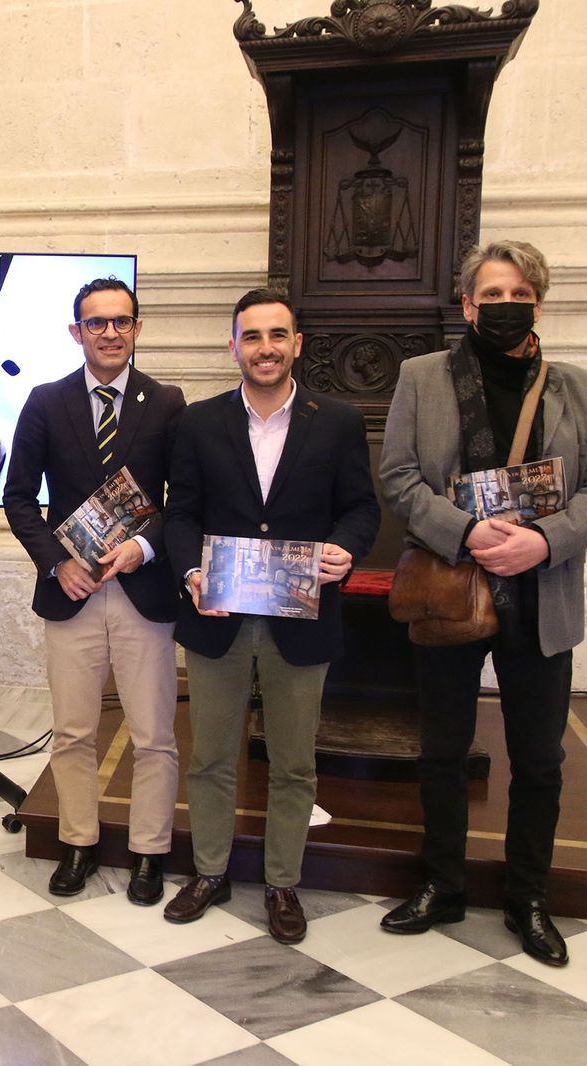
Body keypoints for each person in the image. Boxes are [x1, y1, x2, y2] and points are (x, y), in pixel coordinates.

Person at [377, 241, 587, 966]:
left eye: (518, 292)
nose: (504, 304)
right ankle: (443, 885)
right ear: (467, 305)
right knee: (443, 750)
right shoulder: (423, 378)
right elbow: (399, 479)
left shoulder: (580, 388)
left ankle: (528, 898)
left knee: (540, 760)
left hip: (541, 595)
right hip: (453, 587)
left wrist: (542, 542)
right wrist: (468, 532)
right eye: (491, 293)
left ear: (537, 303)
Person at [162, 289, 379, 944]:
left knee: (292, 763)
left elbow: (361, 508)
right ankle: (210, 870)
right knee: (211, 758)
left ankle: (283, 883)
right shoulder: (198, 423)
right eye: (251, 336)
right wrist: (191, 574)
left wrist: (348, 547)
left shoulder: (337, 421)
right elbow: (181, 516)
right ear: (234, 346)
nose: (265, 348)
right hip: (219, 613)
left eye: (277, 335)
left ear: (297, 345)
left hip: (299, 616)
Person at [2, 277, 185, 900]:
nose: (110, 332)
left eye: (122, 321)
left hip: (143, 588)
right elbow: (19, 498)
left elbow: (182, 502)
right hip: (73, 592)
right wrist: (56, 561)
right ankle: (78, 842)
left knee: (154, 733)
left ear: (138, 328)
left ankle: (148, 852)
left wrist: (144, 545)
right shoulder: (45, 402)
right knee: (75, 730)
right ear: (76, 332)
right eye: (97, 323)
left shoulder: (167, 403)